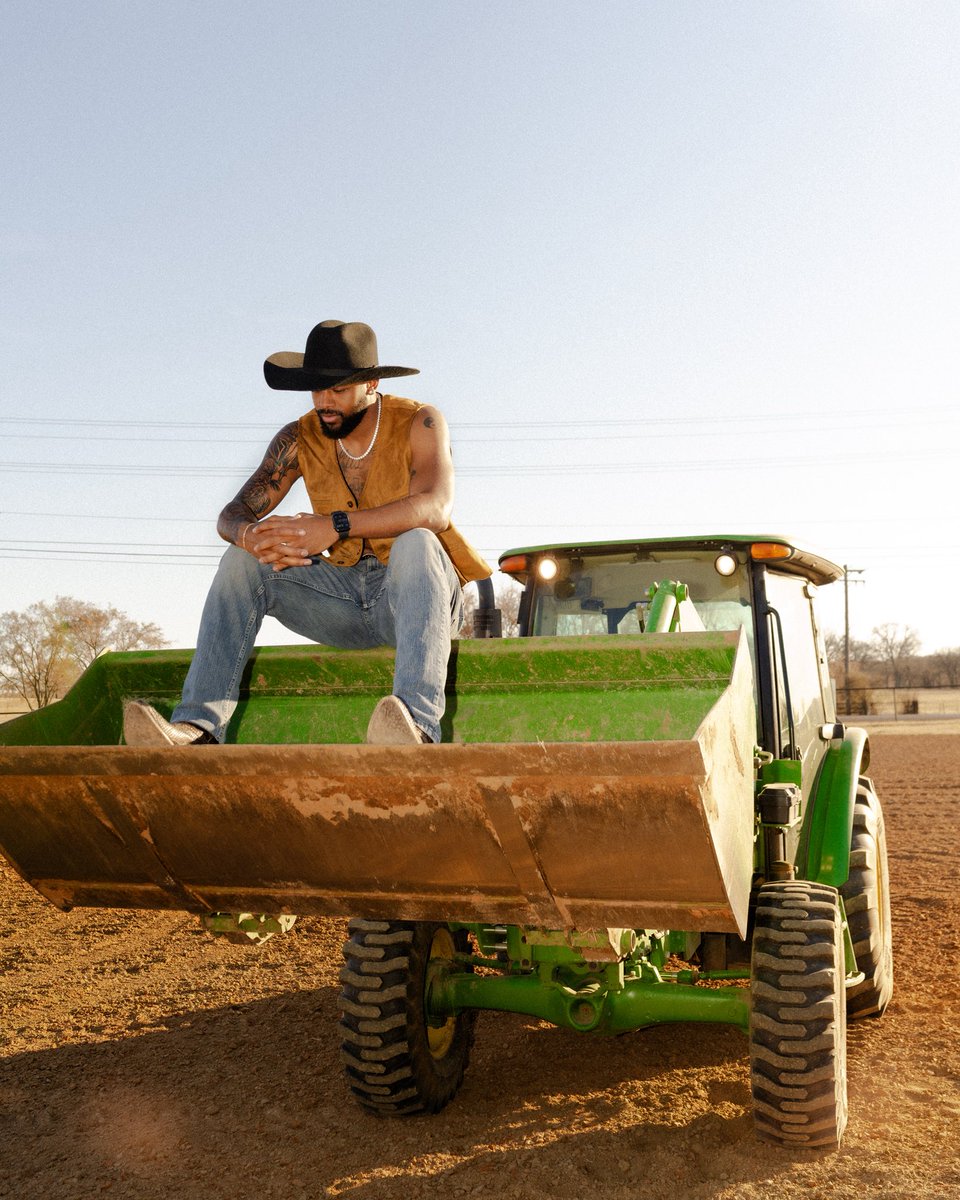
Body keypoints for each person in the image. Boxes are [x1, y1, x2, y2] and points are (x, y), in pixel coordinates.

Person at [123, 319, 491, 748]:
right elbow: (232, 513)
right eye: (316, 388)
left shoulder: (420, 421)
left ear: (371, 384)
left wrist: (332, 526)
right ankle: (199, 729)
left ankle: (416, 727)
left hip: (416, 601)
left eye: (337, 389)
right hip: (343, 601)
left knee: (417, 541)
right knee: (241, 561)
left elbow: (435, 508)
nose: (324, 401)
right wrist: (251, 538)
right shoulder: (299, 437)